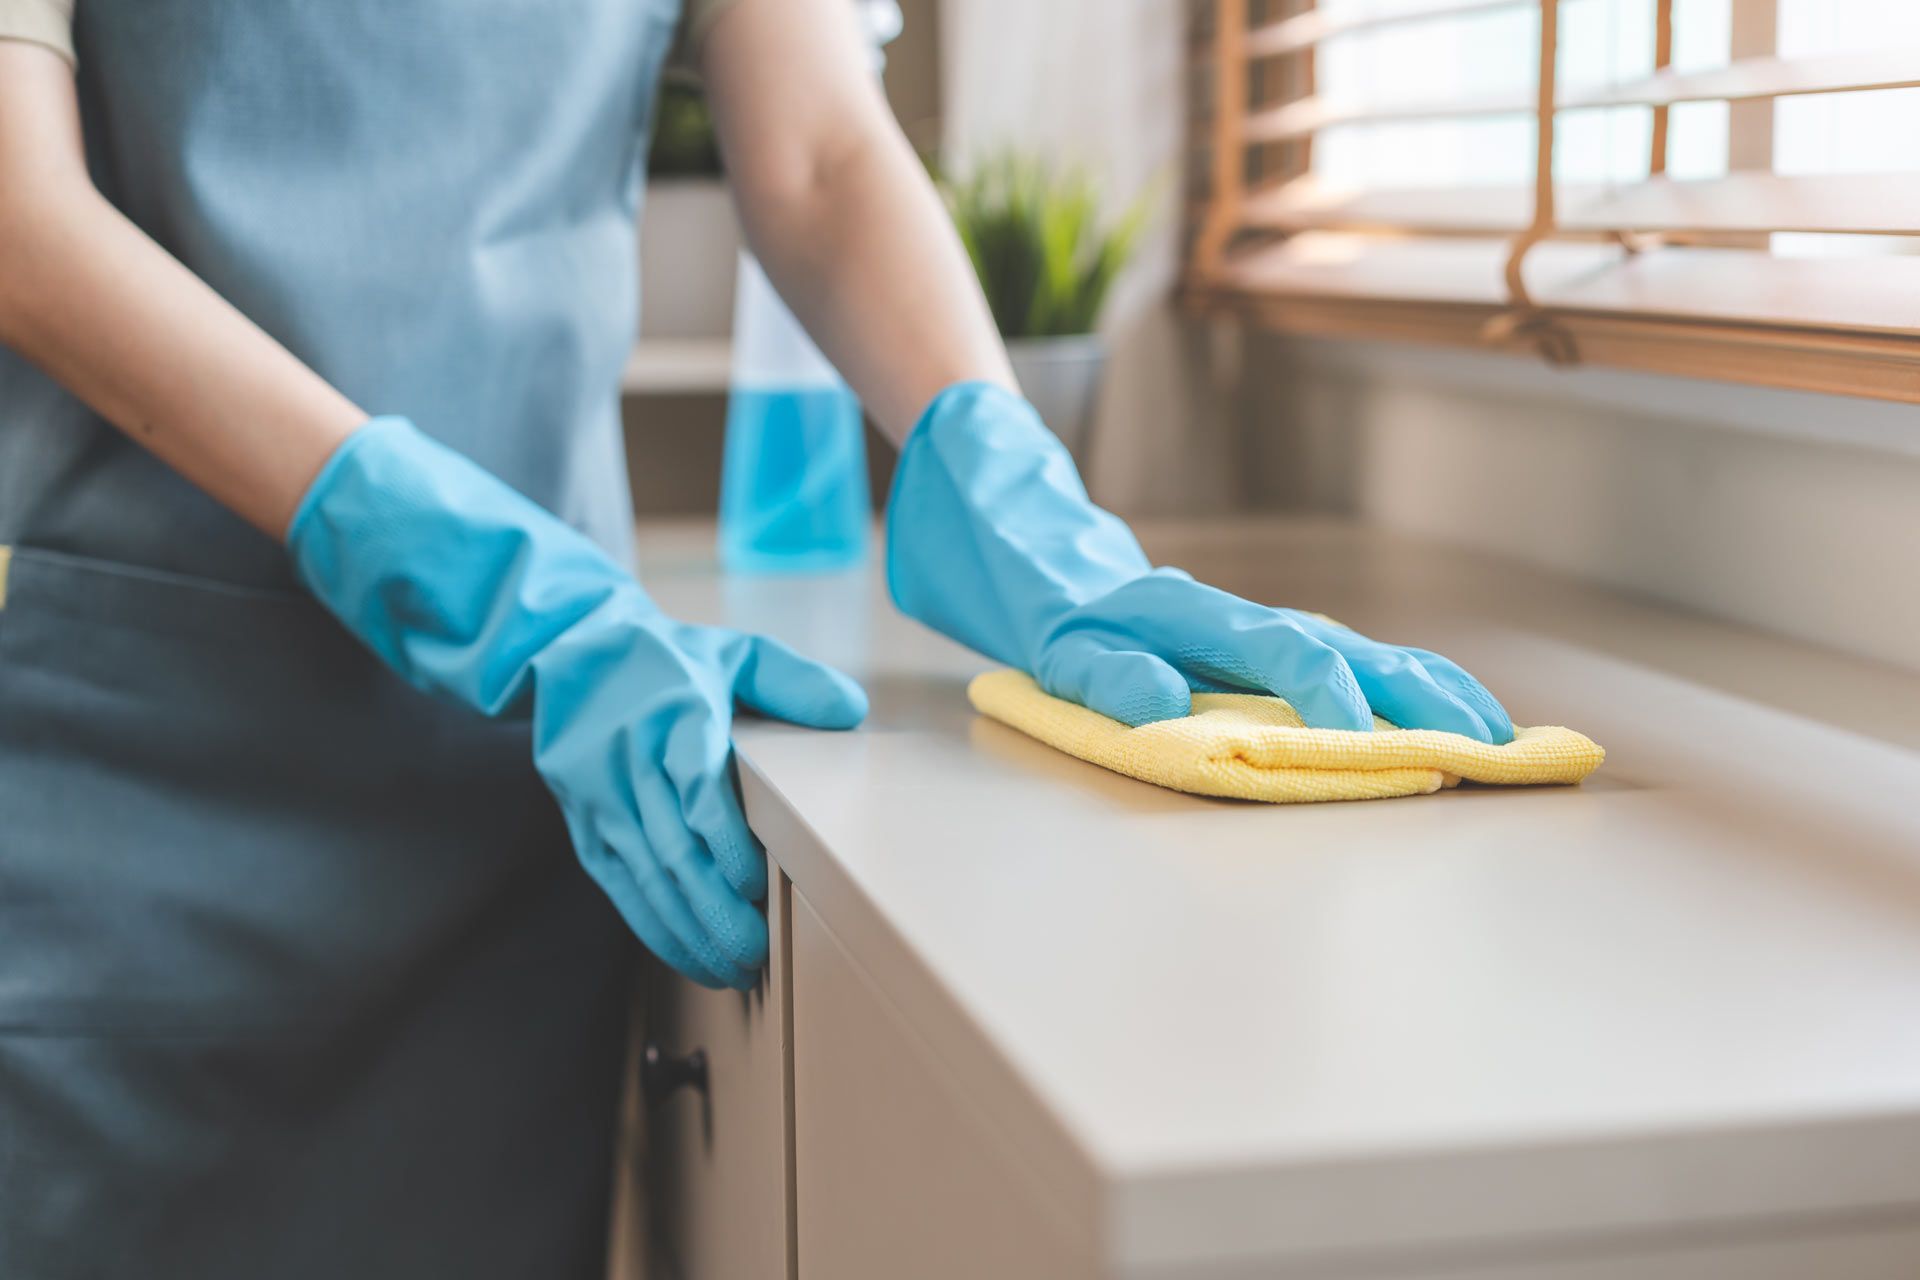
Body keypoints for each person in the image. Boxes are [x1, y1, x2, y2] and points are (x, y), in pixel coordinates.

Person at [0, 0, 1514, 1273]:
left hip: (526, 777)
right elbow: (21, 212)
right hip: (161, 777)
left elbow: (818, 149)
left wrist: (1010, 489)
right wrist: (472, 570)